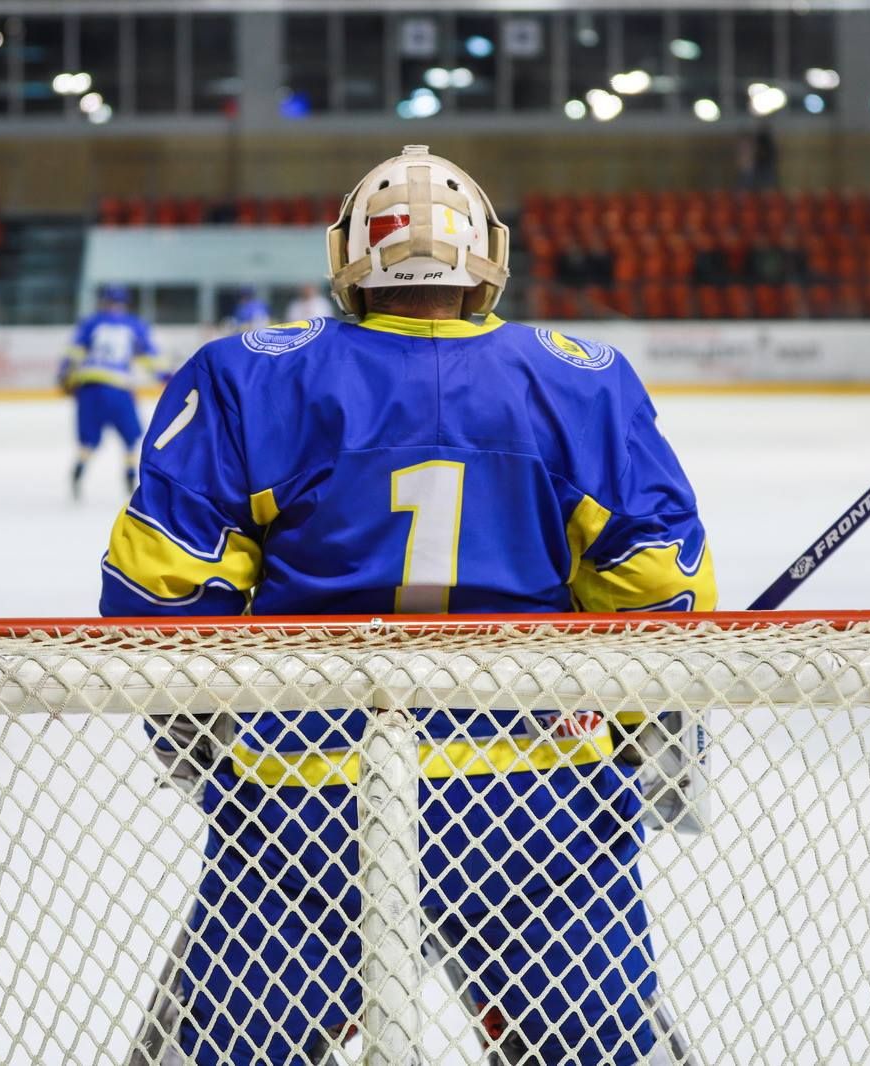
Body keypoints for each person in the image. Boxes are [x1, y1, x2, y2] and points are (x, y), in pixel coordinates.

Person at [99, 145, 716, 1064]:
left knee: (227, 1050)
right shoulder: (582, 377)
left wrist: (205, 749)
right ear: (487, 257)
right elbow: (660, 592)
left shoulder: (247, 376)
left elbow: (162, 592)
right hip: (542, 805)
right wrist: (634, 735)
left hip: (304, 808)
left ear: (348, 255)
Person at [59, 284, 160, 499]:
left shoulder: (91, 323)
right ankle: (130, 479)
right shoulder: (135, 325)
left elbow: (73, 353)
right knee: (131, 438)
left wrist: (65, 377)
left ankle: (78, 472)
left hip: (89, 388)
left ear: (103, 301)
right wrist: (167, 377)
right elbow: (150, 358)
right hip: (118, 388)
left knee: (88, 440)